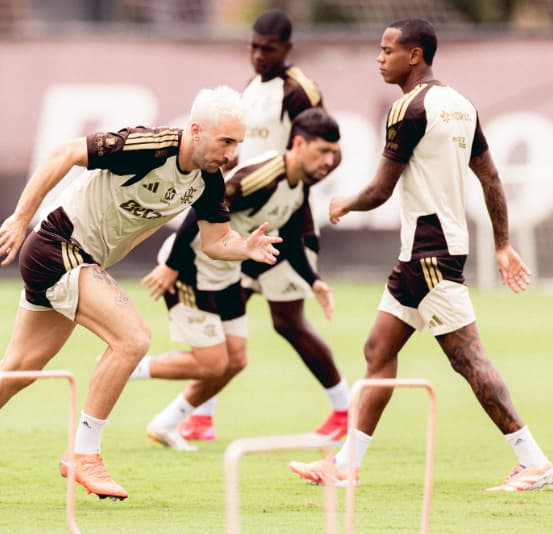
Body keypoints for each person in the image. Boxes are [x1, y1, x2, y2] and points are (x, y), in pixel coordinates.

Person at [0, 86, 283, 504]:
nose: (233, 154)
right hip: (58, 246)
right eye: (227, 142)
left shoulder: (209, 181)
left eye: (238, 144)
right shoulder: (150, 145)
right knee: (133, 338)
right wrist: (20, 219)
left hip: (77, 260)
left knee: (18, 367)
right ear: (195, 130)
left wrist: (244, 247)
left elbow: (217, 241)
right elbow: (65, 153)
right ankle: (84, 454)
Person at [289, 18, 553, 492]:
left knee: (468, 358)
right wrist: (501, 243)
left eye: (387, 49)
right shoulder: (461, 104)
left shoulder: (408, 109)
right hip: (424, 252)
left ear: (415, 55)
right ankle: (346, 465)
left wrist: (344, 203)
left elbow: (380, 189)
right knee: (378, 350)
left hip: (431, 253)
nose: (379, 57)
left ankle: (533, 461)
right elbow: (489, 178)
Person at [173, 8, 351, 442]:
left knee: (287, 322)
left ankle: (344, 411)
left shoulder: (300, 91)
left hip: (286, 227)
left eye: (266, 48)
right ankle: (201, 415)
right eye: (252, 46)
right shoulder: (253, 87)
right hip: (246, 225)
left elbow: (327, 148)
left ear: (287, 48)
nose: (256, 55)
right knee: (223, 314)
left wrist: (295, 209)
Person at [135, 108, 342, 451]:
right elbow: (205, 204)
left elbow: (289, 238)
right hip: (191, 266)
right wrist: (172, 264)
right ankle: (131, 365)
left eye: (333, 153)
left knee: (235, 362)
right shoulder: (260, 176)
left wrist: (314, 280)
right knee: (213, 363)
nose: (329, 160)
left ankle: (166, 423)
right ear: (299, 143)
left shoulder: (299, 185)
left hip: (227, 272)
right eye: (323, 151)